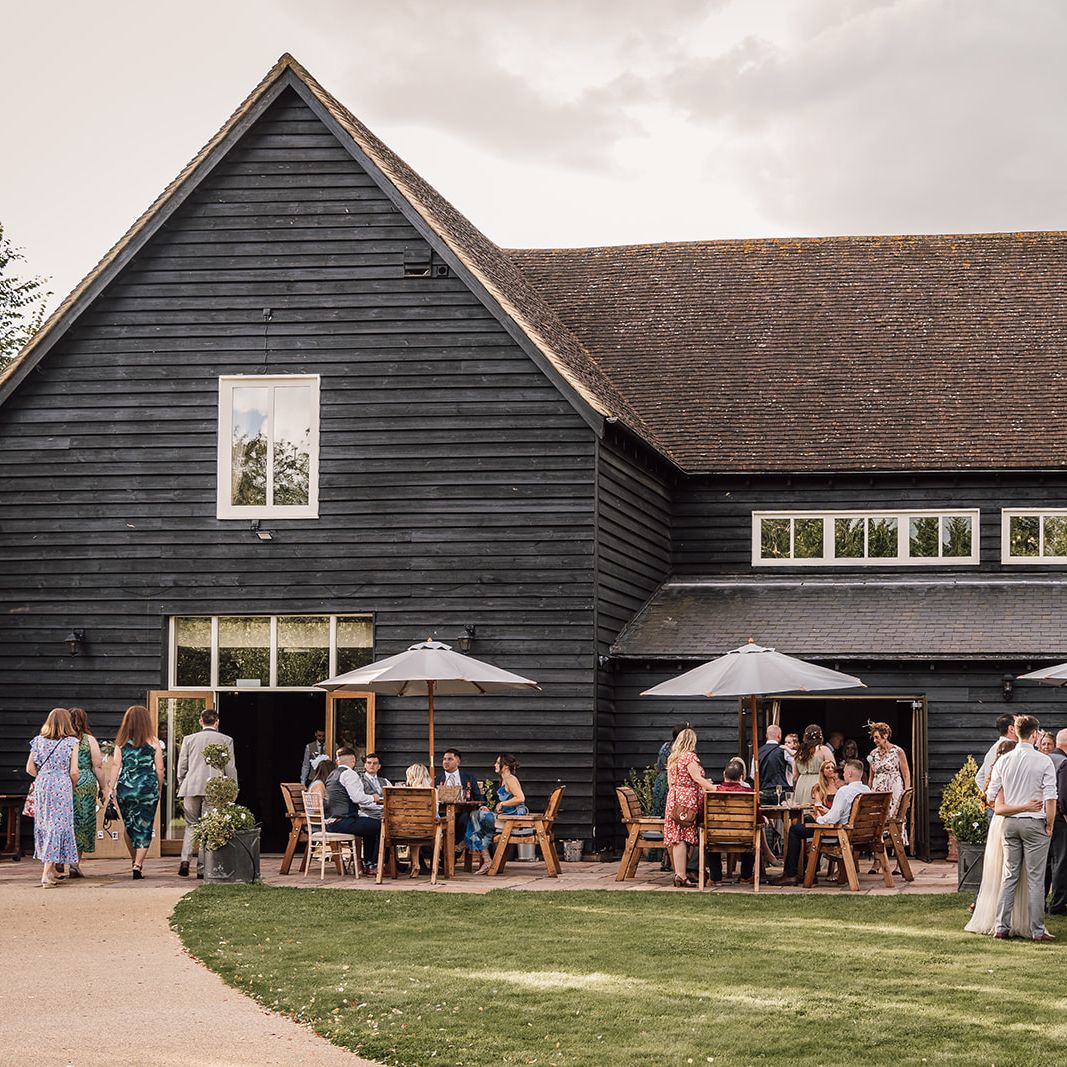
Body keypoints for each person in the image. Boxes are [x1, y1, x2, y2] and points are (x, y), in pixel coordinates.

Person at [986, 715, 1057, 941]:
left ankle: (1001, 927)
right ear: (1035, 733)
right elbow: (1051, 798)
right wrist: (1050, 825)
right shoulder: (1043, 760)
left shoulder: (1004, 760)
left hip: (1009, 823)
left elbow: (990, 796)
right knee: (1036, 878)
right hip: (1035, 822)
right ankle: (1037, 931)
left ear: (1016, 732)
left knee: (1009, 875)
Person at [965, 740, 1041, 937]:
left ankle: (1009, 920)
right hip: (1005, 821)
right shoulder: (1003, 779)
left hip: (1006, 822)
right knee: (1005, 872)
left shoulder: (1000, 774)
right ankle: (1004, 920)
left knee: (1008, 873)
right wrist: (1027, 806)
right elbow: (998, 805)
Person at [769, 759, 871, 886]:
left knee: (795, 830)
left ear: (850, 773)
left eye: (844, 772)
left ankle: (791, 874)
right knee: (807, 824)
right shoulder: (867, 790)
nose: (843, 774)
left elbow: (831, 819)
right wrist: (826, 812)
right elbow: (844, 813)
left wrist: (817, 817)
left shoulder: (844, 791)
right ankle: (808, 872)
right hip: (858, 833)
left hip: (840, 832)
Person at [176, 708, 237, 878]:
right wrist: (232, 788)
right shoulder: (226, 740)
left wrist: (183, 782)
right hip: (214, 788)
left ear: (200, 721)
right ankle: (202, 868)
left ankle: (184, 860)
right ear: (217, 722)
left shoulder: (189, 739)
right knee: (207, 827)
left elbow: (182, 765)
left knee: (191, 825)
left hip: (191, 786)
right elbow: (230, 767)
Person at [26, 708, 80, 888]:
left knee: (45, 824)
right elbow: (74, 771)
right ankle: (45, 874)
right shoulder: (72, 742)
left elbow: (30, 768)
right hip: (61, 784)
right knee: (59, 825)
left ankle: (51, 870)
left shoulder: (38, 741)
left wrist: (43, 777)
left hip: (43, 784)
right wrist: (71, 784)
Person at [107, 705, 164, 879]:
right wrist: (159, 787)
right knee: (145, 825)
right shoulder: (154, 742)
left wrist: (111, 787)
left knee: (130, 825)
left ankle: (135, 861)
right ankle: (138, 865)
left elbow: (116, 765)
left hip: (126, 788)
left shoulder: (122, 743)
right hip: (147, 787)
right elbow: (160, 769)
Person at [663, 728, 717, 888]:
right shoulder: (689, 757)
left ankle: (680, 875)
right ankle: (680, 875)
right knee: (681, 838)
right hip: (685, 801)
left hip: (673, 799)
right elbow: (697, 777)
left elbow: (670, 782)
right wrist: (714, 788)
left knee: (677, 838)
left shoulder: (673, 758)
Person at [467, 753, 528, 874]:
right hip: (506, 817)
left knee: (475, 816)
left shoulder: (511, 779)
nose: (494, 765)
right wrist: (493, 810)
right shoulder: (505, 780)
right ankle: (484, 857)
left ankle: (469, 846)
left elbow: (520, 798)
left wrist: (502, 804)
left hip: (513, 820)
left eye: (497, 762)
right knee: (477, 817)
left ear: (505, 766)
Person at [325, 747, 383, 871]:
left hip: (331, 822)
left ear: (338, 761)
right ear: (353, 760)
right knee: (381, 826)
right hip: (344, 822)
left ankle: (369, 863)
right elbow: (357, 798)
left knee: (370, 825)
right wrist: (373, 797)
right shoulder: (349, 774)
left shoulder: (332, 774)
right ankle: (373, 864)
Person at [705, 759, 760, 885]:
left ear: (724, 774)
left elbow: (702, 815)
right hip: (743, 838)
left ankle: (715, 877)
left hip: (716, 837)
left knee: (709, 834)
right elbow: (758, 817)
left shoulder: (712, 793)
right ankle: (746, 875)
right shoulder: (750, 794)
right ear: (741, 777)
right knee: (752, 832)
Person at [67, 707, 106, 878]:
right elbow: (97, 765)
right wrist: (103, 787)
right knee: (83, 821)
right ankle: (75, 863)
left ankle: (59, 860)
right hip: (85, 782)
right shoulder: (89, 740)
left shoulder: (62, 740)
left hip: (65, 782)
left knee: (65, 821)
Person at [1048, 728, 1067, 916]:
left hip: (1045, 817)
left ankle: (1041, 900)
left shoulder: (1045, 759)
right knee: (1061, 860)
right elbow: (1064, 795)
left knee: (1046, 862)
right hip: (1062, 818)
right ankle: (1058, 904)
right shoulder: (1064, 762)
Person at [975, 713, 1018, 796]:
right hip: (1007, 804)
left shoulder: (993, 748)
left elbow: (979, 778)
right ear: (1011, 729)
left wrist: (990, 797)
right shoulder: (1010, 749)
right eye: (1019, 725)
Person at [404, 763, 434, 878]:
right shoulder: (433, 792)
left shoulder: (406, 793)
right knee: (417, 829)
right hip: (429, 831)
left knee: (413, 829)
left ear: (411, 777)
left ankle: (416, 864)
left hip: (404, 831)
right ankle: (436, 866)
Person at [792, 725, 834, 808]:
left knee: (801, 811)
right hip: (818, 783)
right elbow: (832, 769)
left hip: (801, 784)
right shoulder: (823, 750)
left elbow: (795, 776)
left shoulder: (799, 752)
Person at [757, 724, 790, 805]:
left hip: (763, 792)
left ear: (766, 736)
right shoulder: (784, 750)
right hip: (781, 792)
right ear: (779, 736)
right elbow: (794, 767)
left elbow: (752, 775)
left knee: (764, 816)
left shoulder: (757, 752)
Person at [359, 753, 392, 817]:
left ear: (379, 766)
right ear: (365, 765)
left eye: (375, 763)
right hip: (366, 815)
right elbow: (359, 801)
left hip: (385, 814)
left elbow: (392, 798)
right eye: (369, 763)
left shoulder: (385, 781)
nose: (372, 765)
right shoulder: (359, 781)